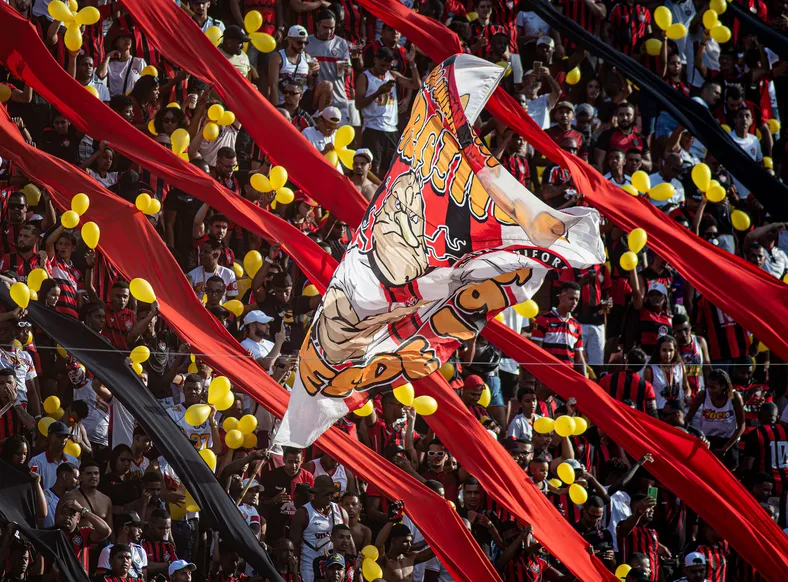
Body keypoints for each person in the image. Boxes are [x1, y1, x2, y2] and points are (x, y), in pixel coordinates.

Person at [356, 46, 421, 176]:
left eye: (387, 65)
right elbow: (359, 104)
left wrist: (412, 64)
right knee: (373, 169)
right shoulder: (365, 77)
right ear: (375, 60)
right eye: (382, 65)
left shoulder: (392, 75)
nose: (384, 68)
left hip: (391, 130)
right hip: (373, 129)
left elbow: (416, 85)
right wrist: (378, 92)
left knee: (390, 170)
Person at [289, 474, 347, 582]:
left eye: (331, 494)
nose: (330, 497)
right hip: (310, 567)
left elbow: (348, 540)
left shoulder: (340, 511)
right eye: (326, 494)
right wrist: (295, 571)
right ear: (316, 494)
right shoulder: (303, 513)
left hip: (334, 568)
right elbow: (295, 545)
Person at [685, 369, 745, 469]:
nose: (709, 390)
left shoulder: (734, 397)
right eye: (708, 386)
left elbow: (742, 426)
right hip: (707, 442)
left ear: (723, 386)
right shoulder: (703, 395)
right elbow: (687, 419)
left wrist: (724, 449)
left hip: (728, 443)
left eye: (713, 387)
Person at [530, 281, 588, 377]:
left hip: (568, 376)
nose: (574, 302)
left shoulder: (577, 325)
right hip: (547, 375)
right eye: (571, 298)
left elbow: (579, 358)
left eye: (577, 300)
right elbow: (536, 352)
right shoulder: (543, 320)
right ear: (560, 296)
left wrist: (585, 380)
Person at [261, 447, 315, 543]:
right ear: (283, 460)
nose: (293, 466)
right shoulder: (271, 477)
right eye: (290, 462)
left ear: (302, 460)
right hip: (276, 528)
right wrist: (274, 500)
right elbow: (260, 504)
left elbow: (313, 504)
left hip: (301, 528)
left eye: (297, 462)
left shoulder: (308, 477)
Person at [53, 497, 112, 573]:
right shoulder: (49, 534)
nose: (67, 517)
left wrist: (82, 510)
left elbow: (106, 531)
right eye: (64, 513)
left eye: (72, 515)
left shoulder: (83, 533)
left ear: (78, 519)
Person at [599, 348, 658, 416]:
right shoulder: (647, 386)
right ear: (642, 367)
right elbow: (653, 412)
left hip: (611, 422)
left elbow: (598, 401)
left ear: (627, 361)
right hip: (635, 424)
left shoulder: (606, 379)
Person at [268, 24, 317, 106]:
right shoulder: (277, 57)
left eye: (305, 43)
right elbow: (273, 86)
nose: (302, 46)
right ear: (290, 40)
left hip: (302, 102)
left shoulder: (307, 57)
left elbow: (310, 85)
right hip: (284, 102)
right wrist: (277, 109)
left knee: (326, 86)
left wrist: (315, 73)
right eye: (299, 42)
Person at [644, 335, 690, 414]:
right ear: (659, 350)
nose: (668, 354)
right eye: (664, 350)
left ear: (675, 351)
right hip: (660, 412)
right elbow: (645, 395)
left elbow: (686, 387)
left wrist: (687, 395)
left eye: (671, 350)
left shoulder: (680, 366)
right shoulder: (650, 370)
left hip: (678, 411)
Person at [29, 420, 79, 489]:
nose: (63, 440)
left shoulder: (73, 461)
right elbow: (31, 486)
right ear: (49, 437)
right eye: (59, 436)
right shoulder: (35, 462)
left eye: (66, 436)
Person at [186, 238, 238, 303]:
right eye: (201, 251)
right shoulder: (192, 274)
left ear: (216, 255)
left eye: (206, 252)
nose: (201, 254)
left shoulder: (228, 274)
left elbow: (232, 301)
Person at [572, 496, 616, 571]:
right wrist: (587, 556)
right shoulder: (573, 530)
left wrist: (611, 558)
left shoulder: (605, 533)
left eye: (599, 517)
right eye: (592, 516)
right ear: (584, 510)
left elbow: (612, 567)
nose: (595, 520)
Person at [41, 461, 79, 529]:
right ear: (65, 476)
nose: (77, 482)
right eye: (75, 478)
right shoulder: (44, 497)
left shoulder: (74, 501)